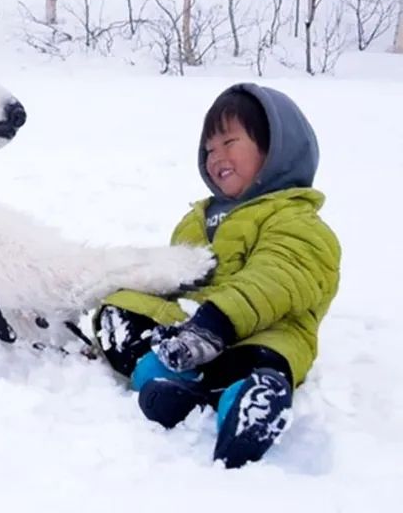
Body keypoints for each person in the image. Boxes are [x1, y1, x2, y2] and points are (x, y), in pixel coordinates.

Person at [92, 83, 340, 468]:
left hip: (263, 331)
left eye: (229, 142)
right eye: (209, 149)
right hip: (194, 328)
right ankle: (165, 376)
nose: (215, 156)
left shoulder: (295, 217)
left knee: (260, 360)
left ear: (275, 147)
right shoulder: (197, 219)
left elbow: (277, 276)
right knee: (119, 307)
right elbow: (175, 279)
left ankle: (247, 403)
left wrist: (216, 324)